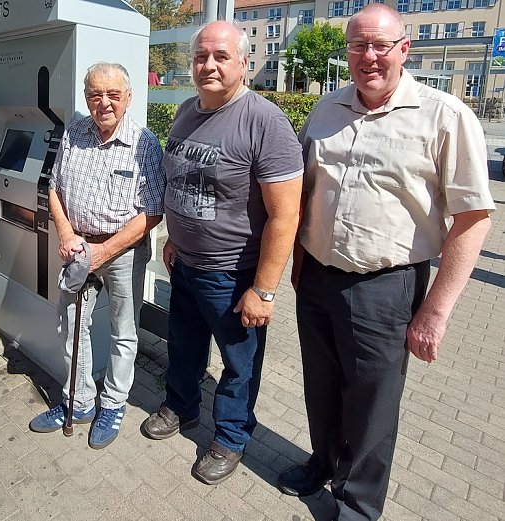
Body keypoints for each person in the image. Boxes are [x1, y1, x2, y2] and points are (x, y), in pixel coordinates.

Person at [275, 5, 495, 520]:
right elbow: (304, 192)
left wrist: (435, 312)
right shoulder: (326, 108)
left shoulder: (445, 115)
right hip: (318, 279)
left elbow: (474, 219)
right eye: (357, 45)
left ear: (404, 50)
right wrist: (298, 259)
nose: (368, 56)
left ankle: (357, 504)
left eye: (380, 45)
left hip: (387, 287)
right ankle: (323, 462)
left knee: (372, 406)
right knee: (320, 386)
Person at [140, 20, 303, 485]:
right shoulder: (188, 111)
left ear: (244, 63)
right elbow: (184, 180)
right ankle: (181, 407)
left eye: (221, 56)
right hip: (186, 264)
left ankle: (231, 436)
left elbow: (285, 216)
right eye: (200, 56)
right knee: (184, 347)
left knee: (239, 363)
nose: (208, 64)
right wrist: (175, 235)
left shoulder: (265, 122)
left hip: (233, 275)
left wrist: (264, 291)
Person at [28, 62, 166, 449]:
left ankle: (113, 404)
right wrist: (66, 233)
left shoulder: (145, 144)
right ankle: (79, 400)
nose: (103, 103)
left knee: (124, 332)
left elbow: (153, 211)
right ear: (86, 97)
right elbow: (53, 187)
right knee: (69, 324)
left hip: (121, 251)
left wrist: (105, 250)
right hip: (78, 247)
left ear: (128, 97)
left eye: (113, 94)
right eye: (94, 94)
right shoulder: (74, 132)